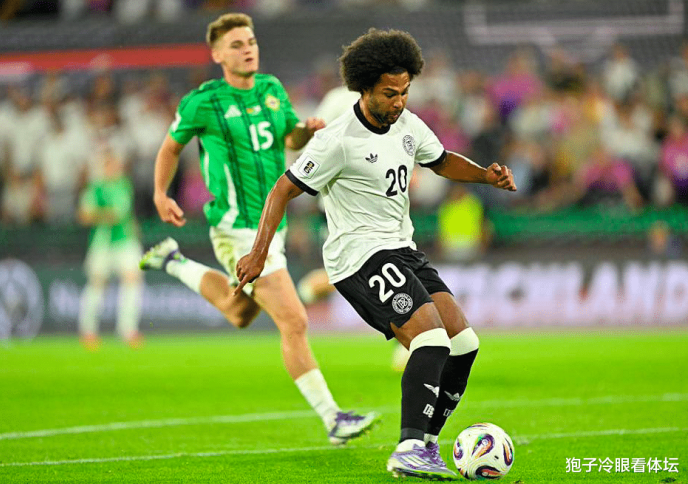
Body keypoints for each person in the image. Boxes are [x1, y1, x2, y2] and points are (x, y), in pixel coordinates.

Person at [235, 28, 516, 480]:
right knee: (431, 340)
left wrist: (485, 175)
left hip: (403, 249)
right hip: (358, 256)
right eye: (390, 93)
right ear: (364, 88)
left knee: (464, 345)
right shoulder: (338, 139)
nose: (399, 101)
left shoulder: (408, 125)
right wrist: (257, 254)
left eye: (405, 91)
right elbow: (282, 190)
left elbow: (441, 159)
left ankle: (426, 445)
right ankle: (409, 448)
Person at [138, 13, 378, 445]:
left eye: (250, 41)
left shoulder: (271, 89)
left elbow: (289, 139)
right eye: (236, 44)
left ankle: (172, 260)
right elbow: (170, 148)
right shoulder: (203, 102)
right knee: (294, 319)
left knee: (240, 313)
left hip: (272, 226)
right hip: (237, 228)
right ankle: (334, 419)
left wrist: (305, 130)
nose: (247, 49)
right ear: (217, 55)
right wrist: (160, 193)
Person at [78, 137, 144, 350]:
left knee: (133, 280)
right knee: (97, 283)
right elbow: (84, 215)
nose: (114, 167)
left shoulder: (124, 185)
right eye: (109, 164)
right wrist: (107, 215)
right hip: (103, 241)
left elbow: (125, 214)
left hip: (125, 239)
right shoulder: (96, 188)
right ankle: (88, 330)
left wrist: (133, 229)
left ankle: (128, 330)